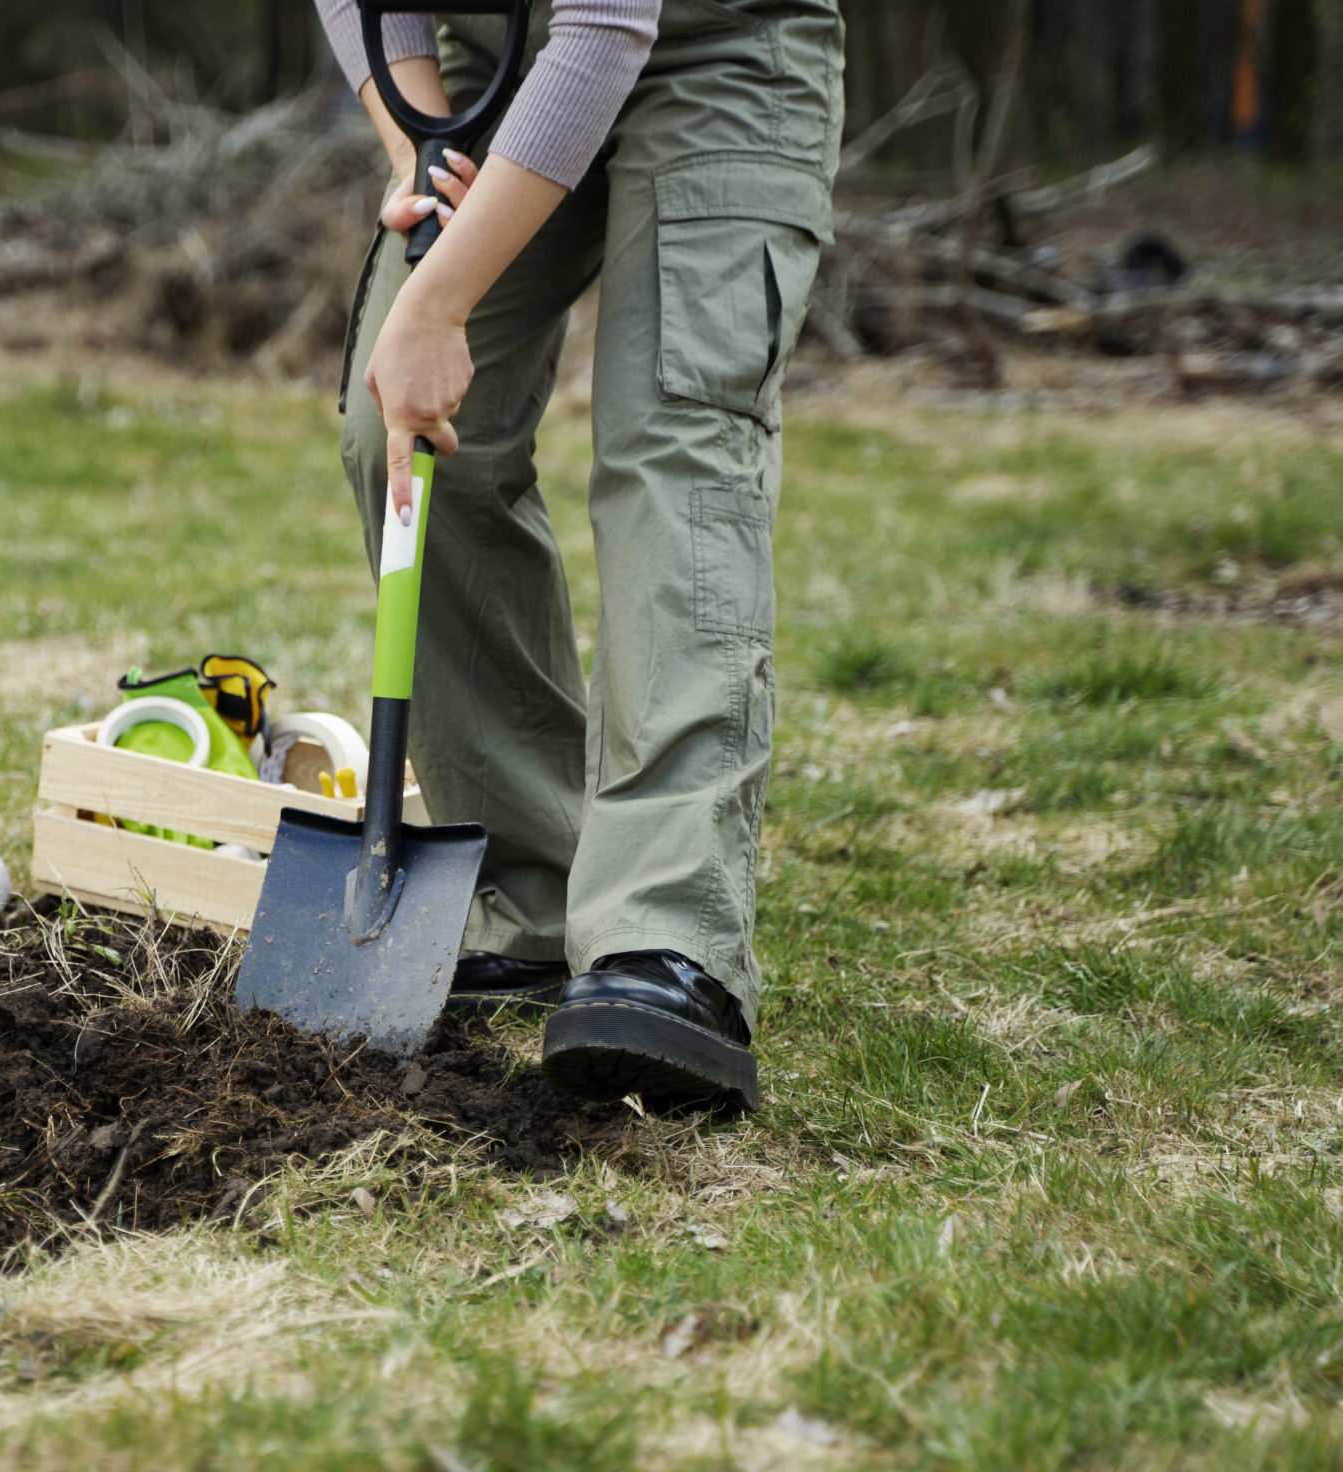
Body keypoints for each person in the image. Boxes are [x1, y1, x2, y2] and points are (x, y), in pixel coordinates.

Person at [313, 0, 844, 1112]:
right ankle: (530, 886)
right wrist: (417, 143)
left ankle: (665, 934)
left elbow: (607, 23)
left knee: (676, 445)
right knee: (397, 434)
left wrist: (441, 299)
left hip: (718, 48)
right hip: (505, 54)